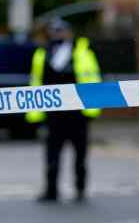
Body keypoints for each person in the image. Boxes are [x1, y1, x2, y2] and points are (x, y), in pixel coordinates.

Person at [26, 18, 102, 203]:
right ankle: (51, 190)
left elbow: (92, 80)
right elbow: (36, 82)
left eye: (62, 31)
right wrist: (35, 113)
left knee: (80, 156)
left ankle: (80, 190)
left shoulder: (82, 52)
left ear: (69, 32)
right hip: (54, 115)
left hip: (77, 114)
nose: (58, 35)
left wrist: (91, 111)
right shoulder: (42, 54)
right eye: (55, 31)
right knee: (52, 155)